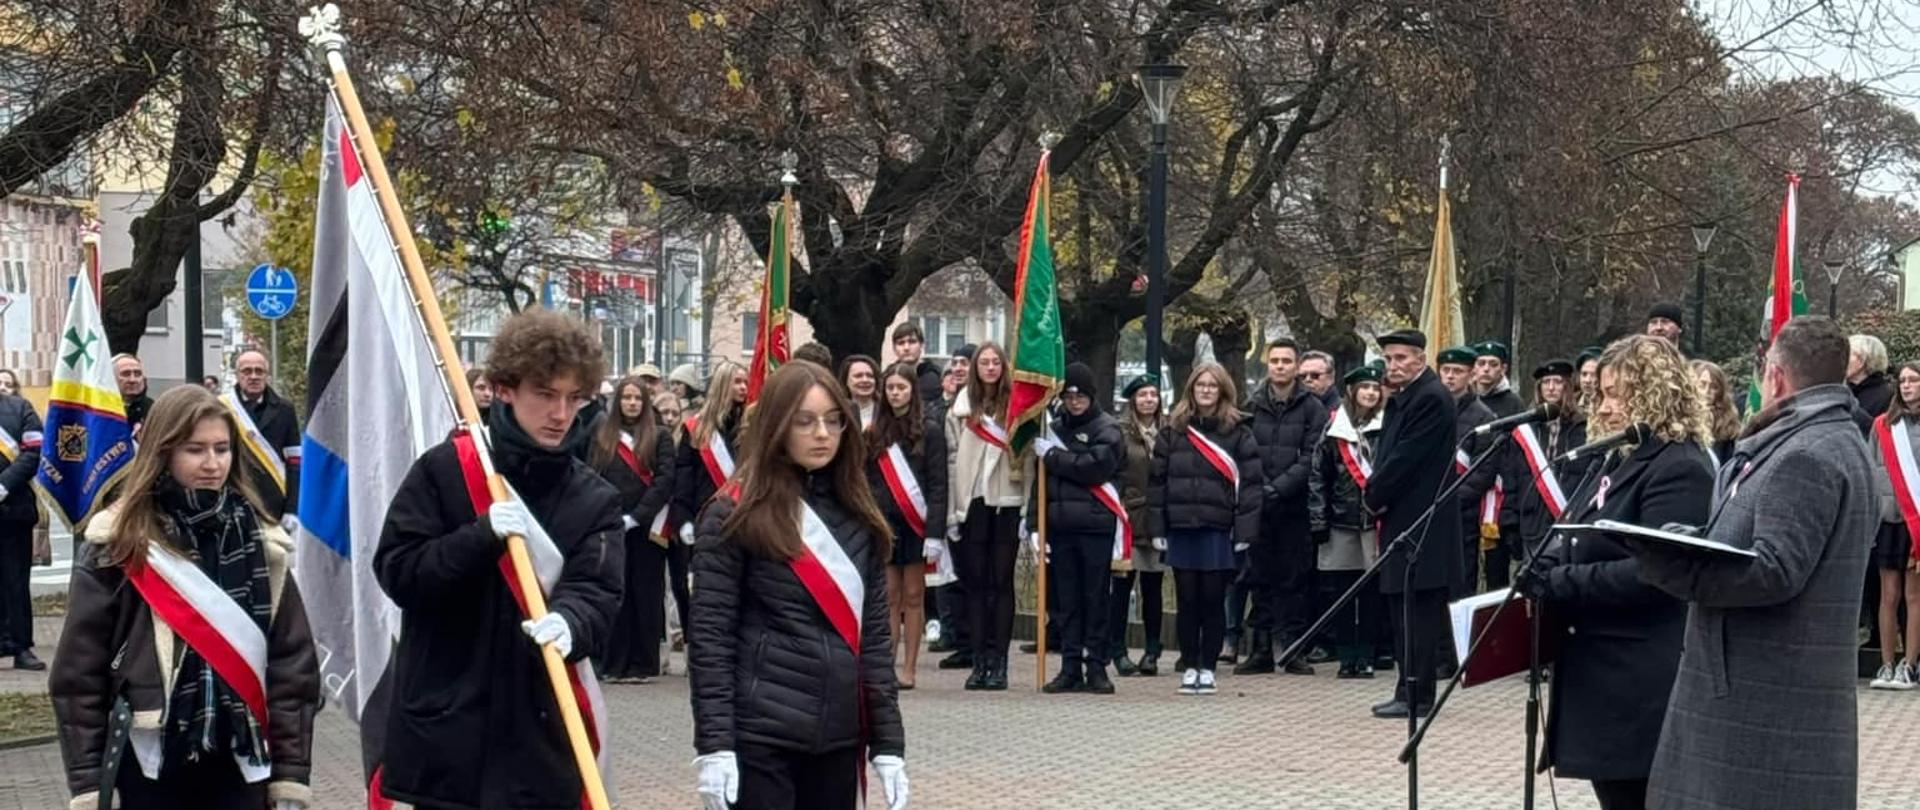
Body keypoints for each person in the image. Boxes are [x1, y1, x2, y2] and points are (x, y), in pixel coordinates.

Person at [373, 310, 624, 809]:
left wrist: (571, 622)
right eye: (545, 394)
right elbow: (398, 570)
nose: (561, 414)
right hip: (445, 733)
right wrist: (479, 537)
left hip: (540, 736)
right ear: (505, 389)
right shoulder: (445, 471)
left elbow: (599, 590)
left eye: (574, 399)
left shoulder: (594, 498)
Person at [1632, 316, 1874, 810]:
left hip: (1760, 706)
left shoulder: (1804, 454)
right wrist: (1691, 539)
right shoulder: (1829, 439)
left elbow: (1775, 570)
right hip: (1771, 700)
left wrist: (1669, 564)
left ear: (1776, 376)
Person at [51, 386, 319, 810]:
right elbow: (78, 675)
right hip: (149, 764)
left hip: (243, 757)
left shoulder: (264, 545)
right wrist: (87, 784)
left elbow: (293, 668)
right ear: (163, 452)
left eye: (222, 449)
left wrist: (290, 775)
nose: (213, 464)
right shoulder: (117, 546)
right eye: (195, 450)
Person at [688, 361, 908, 810]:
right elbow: (710, 639)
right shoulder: (732, 514)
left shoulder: (859, 516)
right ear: (776, 426)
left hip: (839, 738)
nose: (822, 434)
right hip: (761, 736)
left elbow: (875, 643)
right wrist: (715, 744)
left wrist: (888, 743)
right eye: (805, 421)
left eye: (833, 421)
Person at [1524, 335, 1715, 810]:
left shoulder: (1680, 467)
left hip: (1639, 679)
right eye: (1601, 395)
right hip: (1595, 669)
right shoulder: (1615, 455)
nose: (1605, 408)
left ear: (1656, 394)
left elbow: (1656, 573)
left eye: (1617, 395)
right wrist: (1541, 564)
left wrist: (1560, 582)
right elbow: (1572, 529)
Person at [1149, 361, 1264, 696]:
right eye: (1201, 385)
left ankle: (1209, 667)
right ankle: (1189, 664)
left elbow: (1252, 486)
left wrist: (1244, 532)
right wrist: (1158, 527)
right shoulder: (1173, 430)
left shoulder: (1238, 431)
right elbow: (1157, 483)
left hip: (1218, 529)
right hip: (1183, 527)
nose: (1206, 391)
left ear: (1223, 389)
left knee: (1213, 600)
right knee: (1187, 600)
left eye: (1213, 386)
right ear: (1191, 389)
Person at [1364, 330, 1461, 719]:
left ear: (1421, 359)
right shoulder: (1405, 397)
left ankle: (1417, 695)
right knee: (1401, 606)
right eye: (1388, 359)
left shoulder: (1431, 399)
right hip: (1402, 517)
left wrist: (1373, 494)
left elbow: (1405, 458)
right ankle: (1406, 687)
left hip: (1423, 521)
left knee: (1418, 610)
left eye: (1401, 358)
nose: (1393, 366)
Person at [1033, 363, 1126, 695]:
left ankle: (1097, 665)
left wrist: (1053, 456)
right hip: (1061, 528)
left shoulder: (1108, 429)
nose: (1074, 401)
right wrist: (1034, 524)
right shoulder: (1054, 429)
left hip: (1095, 527)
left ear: (1091, 396)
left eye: (1080, 395)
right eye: (1069, 395)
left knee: (1096, 599)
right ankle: (1070, 665)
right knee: (1066, 601)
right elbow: (1040, 485)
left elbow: (1094, 468)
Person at [944, 342, 1031, 691]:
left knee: (1001, 583)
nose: (991, 368)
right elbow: (951, 462)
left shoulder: (1018, 409)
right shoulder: (961, 408)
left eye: (996, 362)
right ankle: (979, 660)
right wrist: (952, 511)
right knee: (976, 585)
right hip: (972, 501)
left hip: (1006, 500)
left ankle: (1000, 662)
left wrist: (1028, 508)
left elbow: (1029, 462)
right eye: (985, 362)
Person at [1240, 338, 1328, 675]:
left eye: (1286, 361)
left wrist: (1280, 488)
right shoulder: (1253, 404)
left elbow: (1313, 455)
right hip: (1259, 507)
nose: (1279, 366)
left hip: (1295, 507)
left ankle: (1293, 649)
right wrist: (1261, 488)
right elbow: (1245, 451)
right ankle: (1260, 650)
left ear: (1297, 365)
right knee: (1258, 578)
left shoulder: (1312, 408)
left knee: (1295, 580)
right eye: (1274, 360)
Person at [589, 375, 678, 683]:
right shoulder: (602, 435)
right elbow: (593, 475)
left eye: (637, 398)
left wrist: (638, 516)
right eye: (626, 397)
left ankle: (642, 663)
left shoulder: (660, 437)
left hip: (647, 527)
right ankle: (614, 662)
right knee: (616, 592)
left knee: (646, 593)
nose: (631, 403)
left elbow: (665, 480)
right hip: (612, 524)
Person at [866, 362, 947, 690]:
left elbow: (939, 485)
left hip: (917, 524)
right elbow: (867, 481)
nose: (896, 393)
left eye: (901, 387)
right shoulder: (874, 432)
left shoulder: (930, 430)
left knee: (914, 597)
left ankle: (910, 669)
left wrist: (935, 533)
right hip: (885, 526)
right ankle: (886, 664)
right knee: (890, 597)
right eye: (890, 388)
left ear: (912, 390)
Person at [1307, 362, 1387, 679]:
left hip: (1374, 522)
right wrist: (1318, 520)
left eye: (1374, 388)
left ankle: (1367, 655)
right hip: (1341, 522)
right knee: (1341, 593)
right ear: (1352, 393)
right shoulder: (1333, 430)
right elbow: (1318, 478)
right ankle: (1346, 656)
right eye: (1364, 388)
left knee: (1370, 594)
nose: (1369, 392)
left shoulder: (1387, 427)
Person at [1492, 359, 1590, 590]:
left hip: (1568, 519)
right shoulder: (1526, 429)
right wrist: (1510, 523)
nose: (1551, 387)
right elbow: (1511, 478)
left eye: (1557, 382)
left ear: (1568, 386)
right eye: (1546, 382)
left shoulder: (1583, 426)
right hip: (1532, 522)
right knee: (1532, 586)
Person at [673, 360, 747, 634]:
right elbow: (684, 478)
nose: (743, 387)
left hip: (742, 517)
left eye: (745, 381)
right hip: (704, 518)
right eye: (736, 382)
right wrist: (683, 519)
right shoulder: (696, 428)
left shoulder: (751, 424)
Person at [1109, 374, 1168, 677]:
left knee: (1153, 587)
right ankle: (1117, 650)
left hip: (1157, 519)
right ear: (1132, 400)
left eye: (1153, 394)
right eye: (1143, 395)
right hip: (1128, 518)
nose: (1149, 400)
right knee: (1121, 587)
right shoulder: (1120, 432)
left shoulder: (1168, 431)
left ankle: (1153, 651)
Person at [1867, 361, 1920, 691]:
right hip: (1889, 519)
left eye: (1914, 380)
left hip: (1917, 522)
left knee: (1914, 597)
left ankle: (1910, 664)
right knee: (1888, 595)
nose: (1907, 386)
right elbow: (1872, 470)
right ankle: (1886, 663)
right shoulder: (1883, 426)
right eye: (1902, 380)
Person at [1436, 346, 1500, 595]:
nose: (1450, 376)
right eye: (1445, 370)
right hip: (1427, 511)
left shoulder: (1483, 416)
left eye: (1458, 371)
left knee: (1460, 581)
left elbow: (1483, 471)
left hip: (1461, 513)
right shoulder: (1431, 408)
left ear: (1470, 375)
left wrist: (1450, 500)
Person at [227, 349, 302, 522]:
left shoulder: (285, 410)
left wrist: (292, 508)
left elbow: (295, 463)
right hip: (236, 500)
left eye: (259, 371)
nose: (253, 376)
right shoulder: (222, 408)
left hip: (274, 501)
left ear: (266, 375)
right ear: (237, 375)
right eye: (247, 371)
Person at [0, 384, 43, 671]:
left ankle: (21, 646)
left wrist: (3, 485)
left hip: (13, 509)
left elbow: (34, 452)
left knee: (15, 582)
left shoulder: (20, 409)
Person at [1690, 360, 1741, 467]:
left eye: (1713, 387)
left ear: (1720, 391)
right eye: (1702, 384)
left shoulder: (1728, 424)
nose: (1707, 391)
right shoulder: (1683, 418)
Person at [891, 322, 946, 403]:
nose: (906, 348)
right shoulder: (887, 378)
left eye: (912, 342)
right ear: (894, 348)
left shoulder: (937, 377)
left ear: (922, 345)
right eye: (901, 343)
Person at [1471, 341, 1525, 418]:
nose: (1486, 369)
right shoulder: (1464, 400)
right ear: (1474, 367)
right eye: (1481, 363)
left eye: (1493, 364)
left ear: (1503, 369)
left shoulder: (1514, 403)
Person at [1849, 334, 1893, 418]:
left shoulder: (1886, 396)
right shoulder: (1842, 389)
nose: (1843, 359)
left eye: (1848, 354)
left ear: (1863, 360)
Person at [114, 354, 154, 434]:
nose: (132, 380)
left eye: (137, 374)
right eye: (126, 374)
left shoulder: (153, 409)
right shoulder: (100, 409)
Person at [840, 354, 880, 428]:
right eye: (858, 376)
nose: (865, 380)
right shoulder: (839, 411)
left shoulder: (886, 412)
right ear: (846, 381)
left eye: (870, 376)